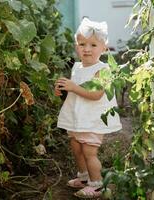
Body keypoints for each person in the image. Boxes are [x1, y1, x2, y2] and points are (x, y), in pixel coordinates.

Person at [54, 18, 122, 198]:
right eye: (82, 44)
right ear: (77, 47)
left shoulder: (104, 70)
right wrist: (62, 91)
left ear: (104, 48)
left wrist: (73, 87)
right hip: (78, 118)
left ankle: (97, 184)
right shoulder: (77, 68)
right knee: (76, 147)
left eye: (93, 44)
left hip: (93, 118)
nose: (87, 49)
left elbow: (96, 94)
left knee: (89, 151)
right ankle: (84, 177)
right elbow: (75, 92)